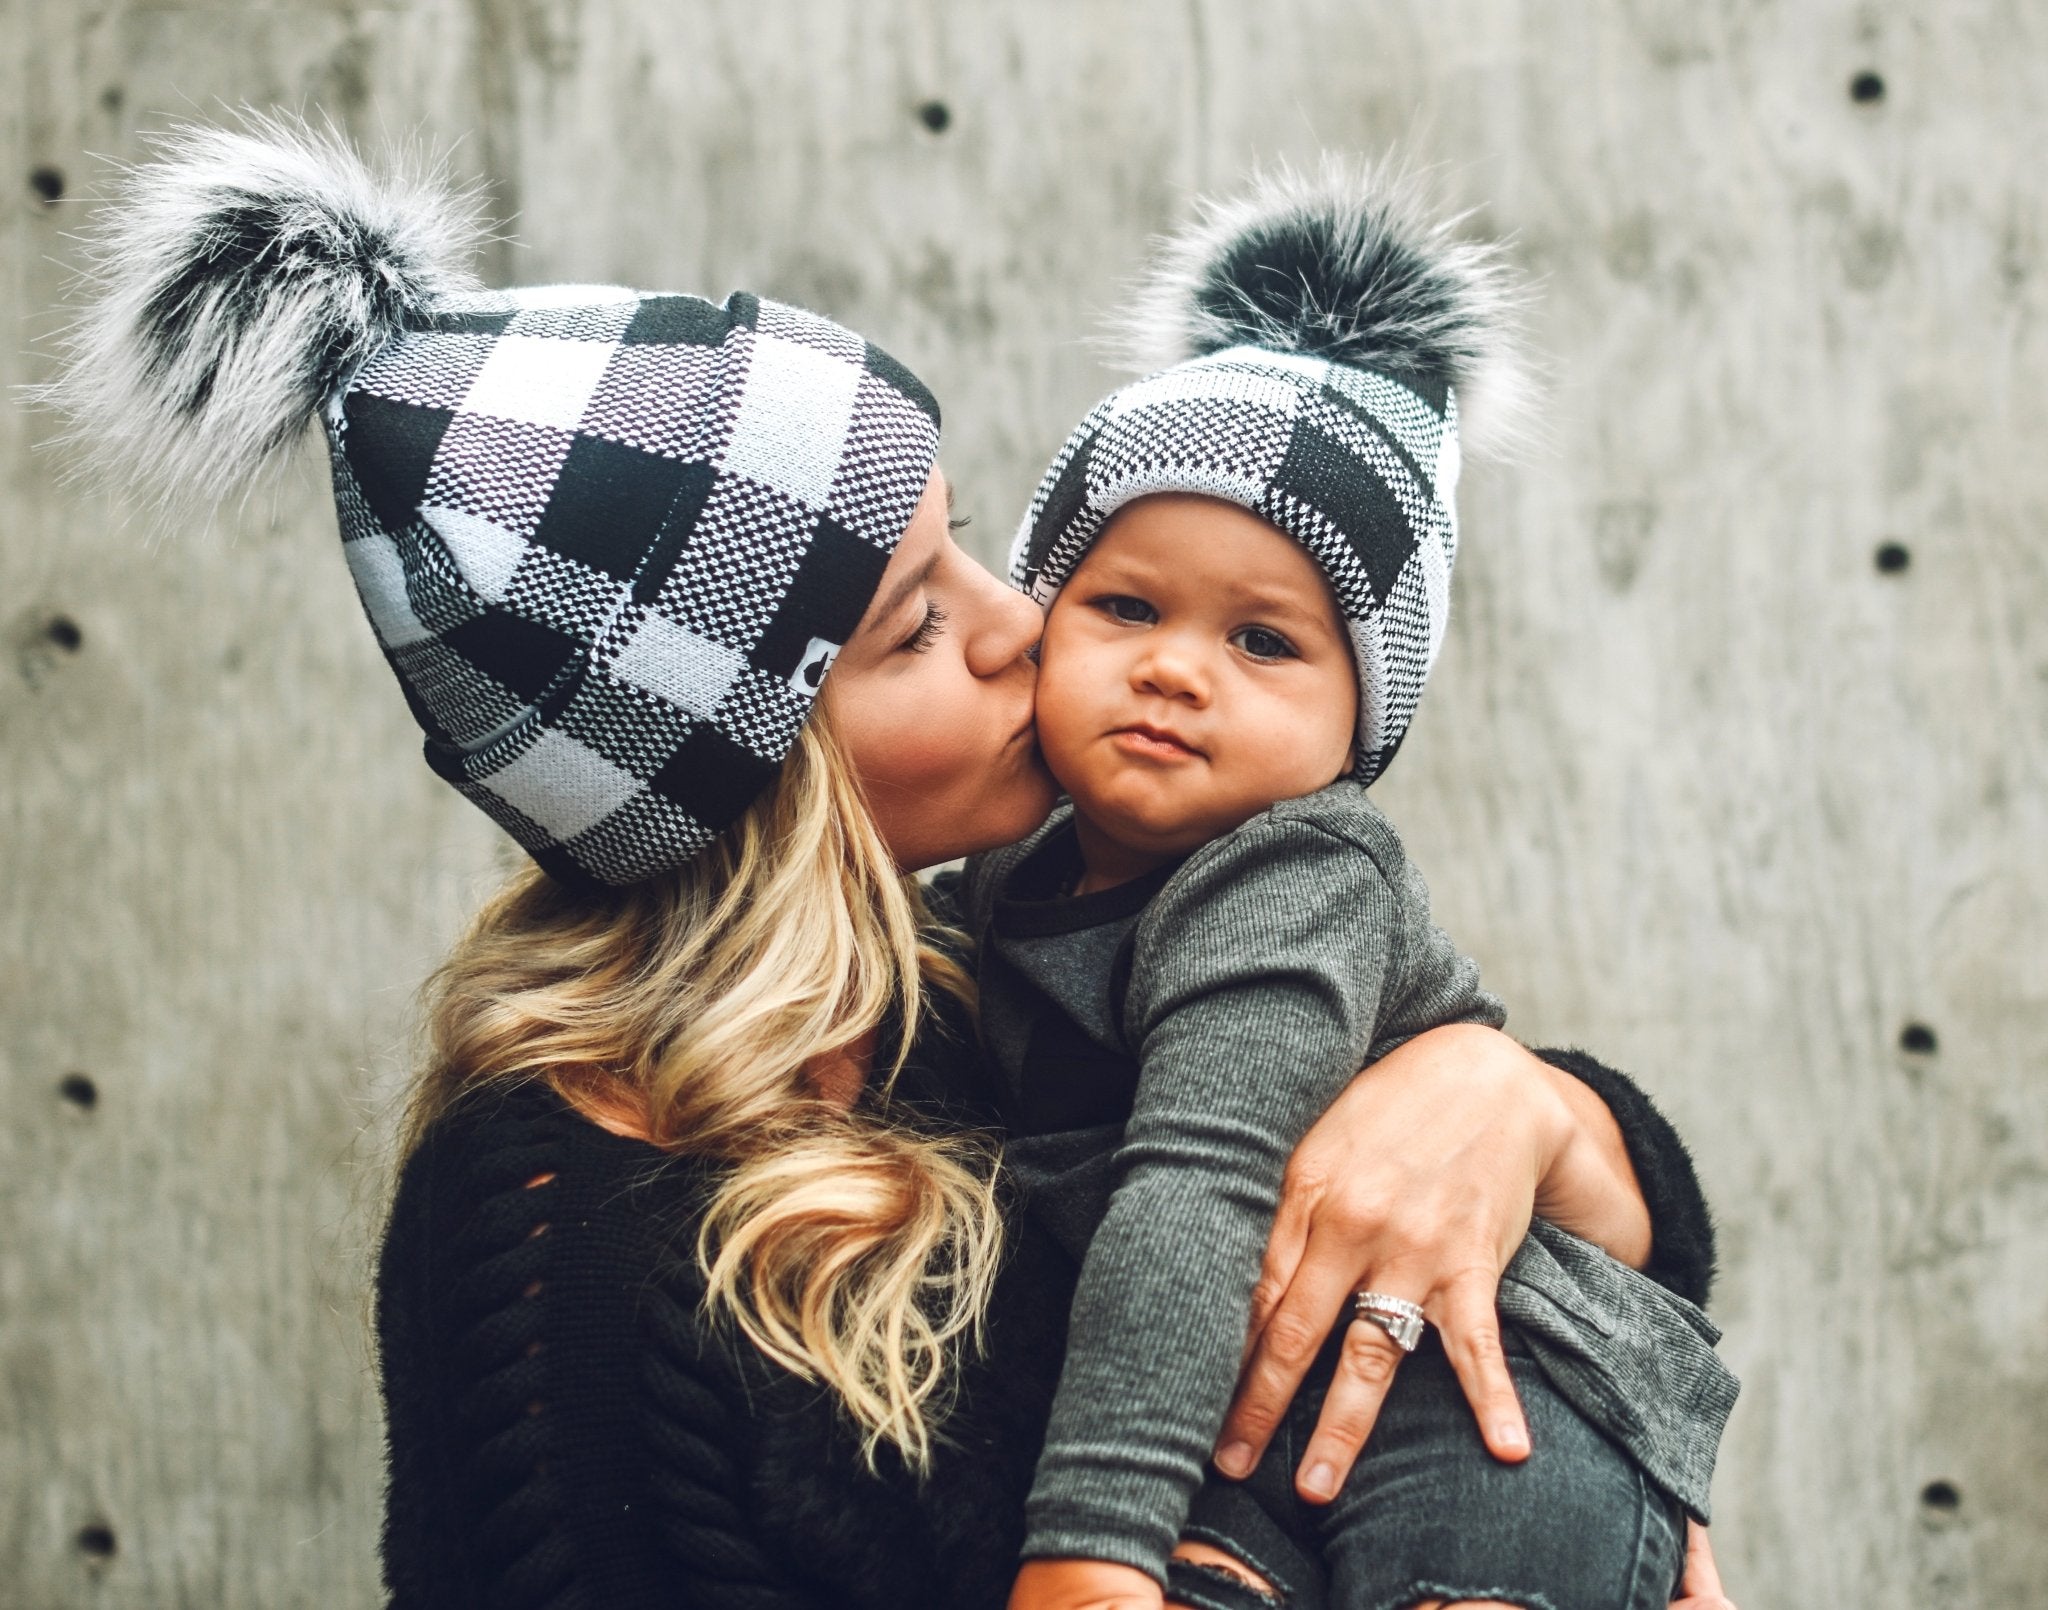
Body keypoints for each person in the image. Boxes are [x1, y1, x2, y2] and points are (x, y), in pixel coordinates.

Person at [39, 119, 1737, 1610]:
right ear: (753, 762)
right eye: (923, 620)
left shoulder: (960, 988)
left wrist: (1513, 1103)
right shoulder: (565, 1242)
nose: (1031, 622)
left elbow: (1612, 1243)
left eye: (975, 544)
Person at [965, 165, 1736, 1610]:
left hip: (1489, 1394)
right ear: (1040, 617)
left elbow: (1199, 1186)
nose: (1178, 667)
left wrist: (1088, 1544)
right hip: (1261, 1432)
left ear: (1358, 724)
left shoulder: (1293, 873)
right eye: (1125, 605)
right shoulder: (1002, 879)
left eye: (1266, 641)